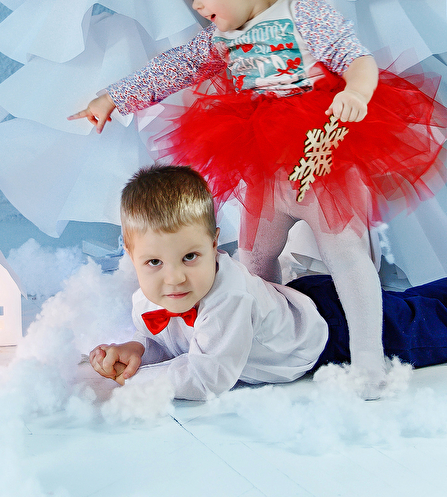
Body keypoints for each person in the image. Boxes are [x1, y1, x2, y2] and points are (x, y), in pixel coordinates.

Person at [71, 0, 447, 398]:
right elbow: (173, 67)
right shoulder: (219, 39)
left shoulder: (304, 10)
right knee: (253, 257)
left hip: (321, 156)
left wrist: (356, 94)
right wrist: (115, 97)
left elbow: (355, 57)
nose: (198, 5)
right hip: (266, 165)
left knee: (347, 252)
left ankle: (368, 360)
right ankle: (261, 334)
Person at [90, 165, 447, 401]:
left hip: (330, 332)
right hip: (301, 303)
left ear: (214, 244)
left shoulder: (227, 298)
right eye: (154, 262)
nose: (174, 278)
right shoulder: (150, 298)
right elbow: (172, 343)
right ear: (131, 256)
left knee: (428, 325)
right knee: (411, 305)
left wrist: (136, 382)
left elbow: (205, 377)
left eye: (190, 257)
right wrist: (136, 351)